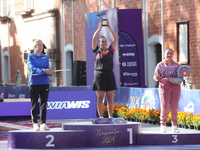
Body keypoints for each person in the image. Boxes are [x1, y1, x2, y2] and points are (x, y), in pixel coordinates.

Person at [92, 20, 117, 118]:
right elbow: (93, 38)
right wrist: (99, 28)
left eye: (105, 41)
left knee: (110, 98)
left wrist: (109, 27)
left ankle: (110, 116)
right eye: (102, 41)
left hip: (109, 74)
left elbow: (115, 38)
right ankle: (101, 117)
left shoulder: (110, 50)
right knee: (100, 97)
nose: (104, 43)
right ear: (99, 43)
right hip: (99, 75)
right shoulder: (96, 50)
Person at [27, 39, 54, 131]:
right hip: (34, 83)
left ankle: (43, 123)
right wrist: (43, 71)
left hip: (45, 83)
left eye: (42, 45)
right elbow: (32, 68)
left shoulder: (45, 57)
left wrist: (50, 72)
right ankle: (35, 123)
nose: (41, 47)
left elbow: (47, 68)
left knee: (44, 103)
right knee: (34, 103)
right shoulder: (30, 57)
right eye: (39, 45)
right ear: (35, 46)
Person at [153, 48, 181, 133]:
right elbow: (155, 77)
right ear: (164, 54)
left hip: (175, 88)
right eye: (167, 53)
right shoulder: (160, 65)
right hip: (164, 88)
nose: (169, 55)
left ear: (173, 54)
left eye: (170, 53)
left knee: (174, 107)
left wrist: (177, 80)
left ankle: (174, 126)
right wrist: (160, 77)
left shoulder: (176, 65)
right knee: (164, 107)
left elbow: (181, 77)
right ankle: (163, 125)